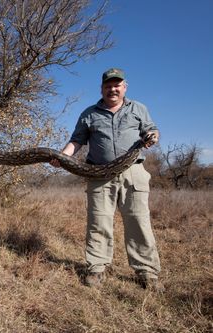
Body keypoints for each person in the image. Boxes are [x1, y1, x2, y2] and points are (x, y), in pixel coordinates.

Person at [50, 68, 163, 291]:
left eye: (117, 85)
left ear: (124, 87)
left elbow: (152, 130)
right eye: (108, 85)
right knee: (98, 222)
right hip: (99, 174)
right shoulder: (89, 113)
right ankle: (96, 268)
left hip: (134, 172)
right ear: (101, 88)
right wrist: (62, 157)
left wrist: (153, 137)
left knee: (139, 222)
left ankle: (147, 272)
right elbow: (77, 141)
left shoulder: (138, 108)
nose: (112, 89)